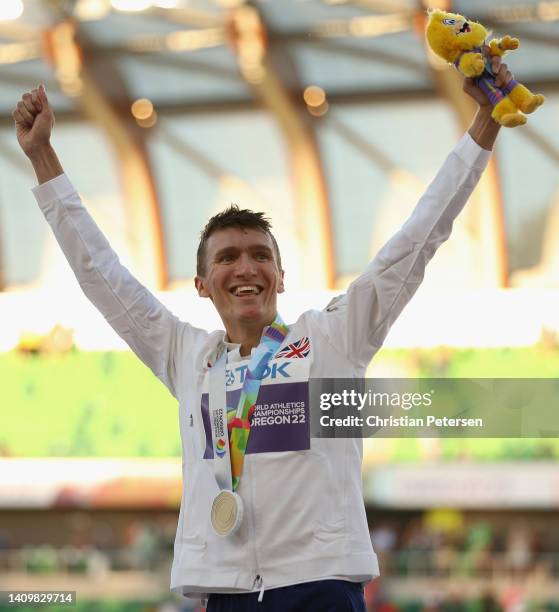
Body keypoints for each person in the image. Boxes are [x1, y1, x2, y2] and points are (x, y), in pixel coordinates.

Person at [13, 54, 511, 611]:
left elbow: (415, 241)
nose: (245, 268)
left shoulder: (332, 338)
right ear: (202, 283)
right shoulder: (186, 355)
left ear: (280, 274)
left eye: (260, 255)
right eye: (227, 258)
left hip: (320, 584)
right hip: (225, 589)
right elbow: (102, 276)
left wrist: (483, 127)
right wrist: (42, 156)